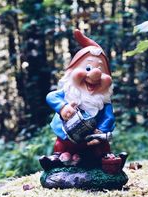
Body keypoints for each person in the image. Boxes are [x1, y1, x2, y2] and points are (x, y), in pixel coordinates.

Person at [40, 29, 123, 171]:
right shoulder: (69, 92)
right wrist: (62, 107)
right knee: (61, 144)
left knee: (100, 148)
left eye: (101, 70)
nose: (96, 74)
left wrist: (101, 132)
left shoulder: (103, 102)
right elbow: (51, 97)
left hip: (92, 139)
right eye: (88, 67)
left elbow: (109, 118)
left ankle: (106, 160)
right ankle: (58, 159)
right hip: (67, 135)